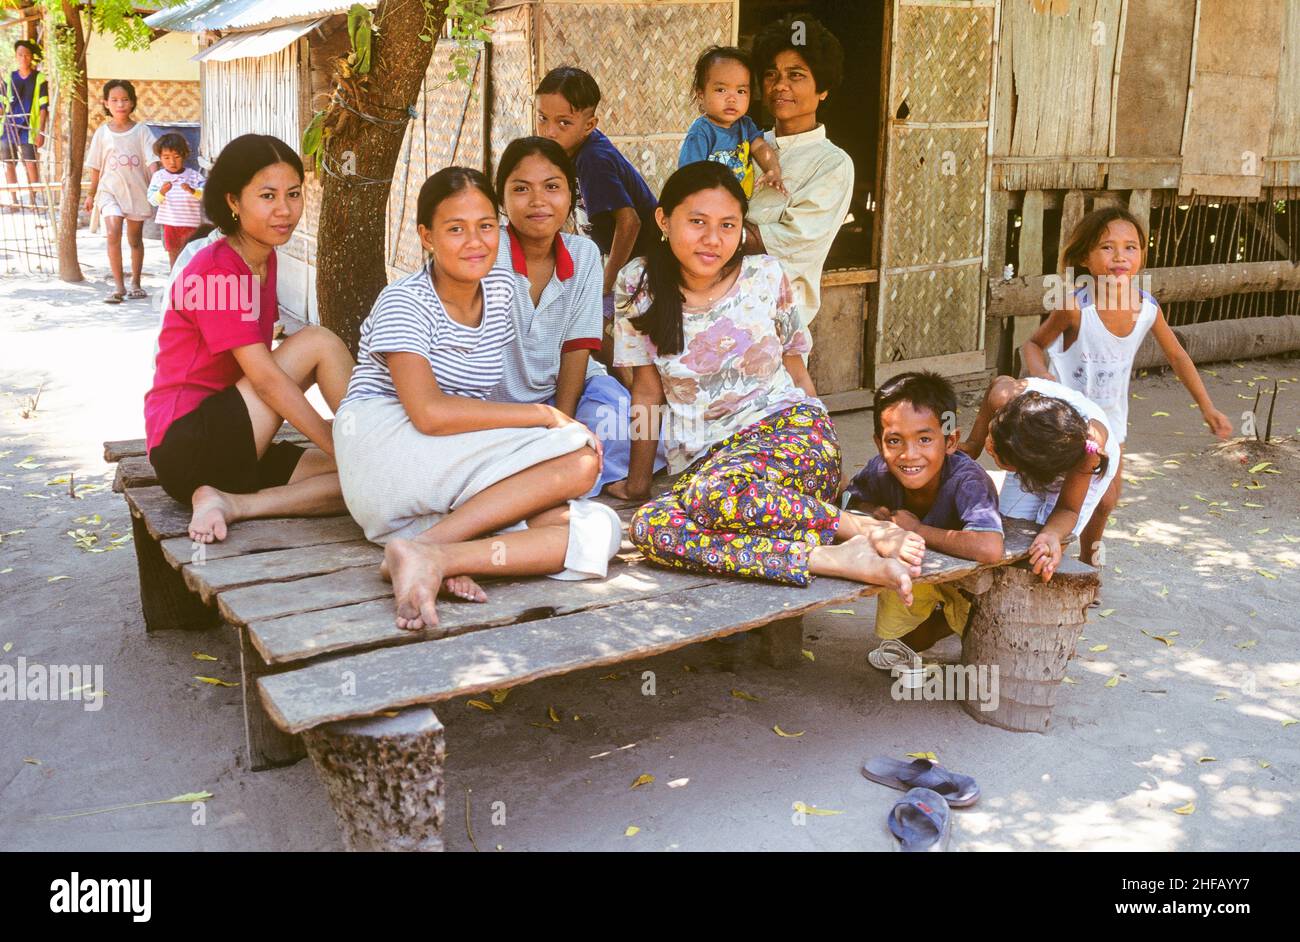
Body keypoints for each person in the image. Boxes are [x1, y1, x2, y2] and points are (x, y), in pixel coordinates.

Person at [333, 166, 622, 632]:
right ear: (426, 237)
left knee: (598, 530)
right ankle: (432, 547)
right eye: (455, 229)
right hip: (385, 445)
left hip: (440, 468)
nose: (475, 241)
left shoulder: (500, 290)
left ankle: (436, 554)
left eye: (486, 226)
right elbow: (427, 413)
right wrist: (545, 416)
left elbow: (475, 403)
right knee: (582, 460)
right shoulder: (404, 301)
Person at [612, 161, 923, 594]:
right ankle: (827, 555)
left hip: (790, 434)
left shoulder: (765, 274)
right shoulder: (636, 283)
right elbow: (647, 392)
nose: (713, 239)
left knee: (716, 497)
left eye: (728, 225)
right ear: (664, 220)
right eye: (697, 222)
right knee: (652, 528)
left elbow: (797, 369)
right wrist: (640, 482)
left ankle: (857, 527)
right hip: (709, 464)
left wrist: (831, 462)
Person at [144, 134, 354, 545]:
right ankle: (368, 438)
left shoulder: (262, 257)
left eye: (294, 194)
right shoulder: (218, 269)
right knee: (319, 342)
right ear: (233, 202)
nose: (285, 210)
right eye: (267, 196)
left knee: (368, 483)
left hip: (229, 439)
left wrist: (349, 458)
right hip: (188, 440)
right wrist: (336, 443)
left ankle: (231, 502)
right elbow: (266, 378)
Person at [1020, 206, 1232, 565]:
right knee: (1057, 494)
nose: (1120, 256)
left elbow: (1178, 357)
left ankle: (1089, 556)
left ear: (1142, 256)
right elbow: (1032, 344)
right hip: (1064, 420)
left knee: (1105, 500)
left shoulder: (1147, 308)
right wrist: (1041, 376)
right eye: (1107, 247)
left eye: (1130, 247)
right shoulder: (1074, 307)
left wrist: (1207, 407)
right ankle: (1044, 555)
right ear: (1086, 257)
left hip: (1113, 421)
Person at [489, 136, 666, 496]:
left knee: (634, 432)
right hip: (501, 406)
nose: (538, 201)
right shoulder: (488, 257)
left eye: (552, 187)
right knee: (497, 451)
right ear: (502, 200)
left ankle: (561, 469)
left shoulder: (583, 253)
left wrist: (563, 429)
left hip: (571, 390)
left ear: (571, 195)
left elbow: (577, 349)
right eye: (521, 188)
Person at [844, 372, 1004, 664]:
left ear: (951, 440)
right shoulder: (879, 470)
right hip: (919, 574)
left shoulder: (967, 480)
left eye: (925, 439)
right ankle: (936, 617)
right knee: (900, 645)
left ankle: (948, 620)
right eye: (894, 441)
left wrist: (916, 529)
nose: (909, 455)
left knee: (982, 624)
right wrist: (869, 512)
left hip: (969, 583)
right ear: (879, 443)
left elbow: (989, 547)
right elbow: (846, 501)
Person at [535, 65, 658, 380]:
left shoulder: (594, 159)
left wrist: (607, 281)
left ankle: (631, 391)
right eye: (542, 118)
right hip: (620, 257)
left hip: (643, 260)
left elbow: (629, 222)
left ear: (589, 125)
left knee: (591, 324)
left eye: (564, 122)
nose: (549, 130)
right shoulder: (570, 150)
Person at [743, 15, 853, 343]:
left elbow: (783, 241)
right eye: (771, 74)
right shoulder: (746, 145)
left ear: (823, 89)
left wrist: (702, 231)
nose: (780, 86)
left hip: (773, 328)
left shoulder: (832, 165)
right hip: (711, 313)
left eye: (796, 75)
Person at [960, 375, 1118, 583]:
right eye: (991, 435)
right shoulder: (1005, 400)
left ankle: (1089, 565)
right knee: (1007, 536)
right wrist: (974, 444)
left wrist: (1052, 535)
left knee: (1043, 555)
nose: (989, 445)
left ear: (1025, 470)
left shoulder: (1088, 452)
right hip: (1041, 451)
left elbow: (1068, 509)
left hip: (1081, 467)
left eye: (994, 451)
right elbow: (997, 382)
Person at [84, 80, 159, 303]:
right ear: (106, 103)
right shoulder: (102, 133)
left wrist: (157, 183)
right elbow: (96, 166)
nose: (120, 104)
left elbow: (152, 161)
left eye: (125, 99)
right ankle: (118, 286)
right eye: (114, 100)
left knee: (135, 239)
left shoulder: (142, 131)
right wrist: (91, 194)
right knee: (113, 231)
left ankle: (135, 282)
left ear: (133, 102)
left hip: (137, 190)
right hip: (109, 192)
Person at [678, 46, 784, 198]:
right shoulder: (702, 131)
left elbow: (760, 147)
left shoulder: (746, 125)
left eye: (741, 91)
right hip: (709, 202)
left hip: (738, 203)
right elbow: (689, 173)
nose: (732, 98)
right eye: (721, 90)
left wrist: (773, 170)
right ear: (701, 95)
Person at [147, 132, 206, 269]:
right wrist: (161, 192)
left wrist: (192, 191)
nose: (172, 162)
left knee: (192, 256)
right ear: (160, 158)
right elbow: (152, 200)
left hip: (192, 226)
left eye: (177, 157)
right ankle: (175, 285)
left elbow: (206, 196)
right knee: (174, 256)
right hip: (170, 225)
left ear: (184, 155)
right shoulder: (159, 177)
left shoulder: (194, 176)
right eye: (166, 157)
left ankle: (191, 285)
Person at [0, 39, 48, 207]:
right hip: (9, 126)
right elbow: (2, 103)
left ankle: (36, 200)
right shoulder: (9, 77)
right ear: (16, 56)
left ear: (31, 57)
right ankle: (13, 201)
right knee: (8, 163)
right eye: (20, 54)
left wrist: (41, 131)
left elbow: (44, 107)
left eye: (27, 54)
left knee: (31, 162)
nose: (23, 57)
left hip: (30, 126)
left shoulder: (39, 78)